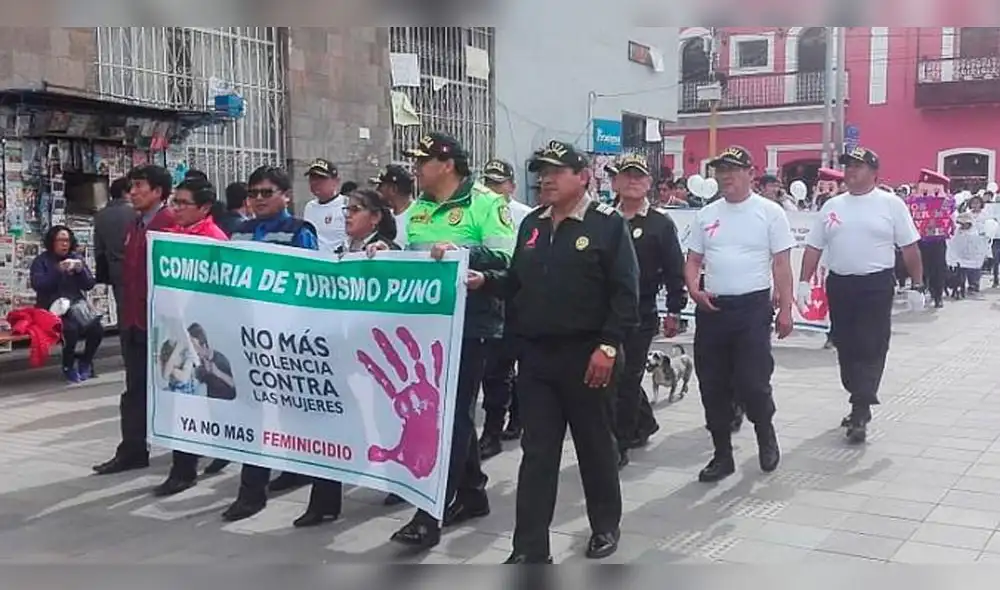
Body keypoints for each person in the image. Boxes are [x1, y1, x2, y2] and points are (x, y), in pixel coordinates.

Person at [472, 139, 638, 563]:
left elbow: (625, 293)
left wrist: (608, 345)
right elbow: (516, 282)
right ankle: (529, 548)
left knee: (595, 447)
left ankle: (604, 525)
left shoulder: (606, 224)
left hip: (588, 356)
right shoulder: (533, 224)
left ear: (582, 177)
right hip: (537, 358)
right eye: (541, 172)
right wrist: (486, 281)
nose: (545, 179)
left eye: (555, 171)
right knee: (538, 454)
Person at [368, 132, 515, 550]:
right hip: (427, 327)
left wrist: (462, 254)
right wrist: (385, 249)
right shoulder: (420, 207)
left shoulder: (487, 203)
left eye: (422, 161)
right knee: (455, 415)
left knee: (449, 417)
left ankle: (429, 512)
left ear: (447, 164)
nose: (415, 168)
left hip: (471, 324)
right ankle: (472, 493)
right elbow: (411, 255)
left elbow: (508, 259)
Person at [222, 166, 331, 522]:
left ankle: (303, 476)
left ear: (286, 195)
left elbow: (312, 283)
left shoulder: (299, 231)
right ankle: (252, 493)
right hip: (247, 338)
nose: (258, 199)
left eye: (266, 192)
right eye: (253, 193)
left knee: (296, 415)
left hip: (286, 342)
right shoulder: (239, 232)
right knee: (253, 414)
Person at [685, 146, 794, 483]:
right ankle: (722, 454)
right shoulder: (706, 215)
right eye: (721, 170)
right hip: (713, 309)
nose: (726, 176)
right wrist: (693, 289)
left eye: (733, 170)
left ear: (750, 173)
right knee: (712, 383)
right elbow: (693, 260)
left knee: (753, 382)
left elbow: (781, 264)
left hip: (752, 309)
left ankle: (765, 434)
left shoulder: (769, 212)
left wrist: (786, 309)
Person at [800, 147, 923, 443]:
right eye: (848, 166)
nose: (851, 171)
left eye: (858, 166)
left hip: (876, 285)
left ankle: (860, 407)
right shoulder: (832, 206)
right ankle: (858, 394)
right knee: (844, 344)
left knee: (871, 343)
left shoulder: (890, 204)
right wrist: (804, 281)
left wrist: (918, 285)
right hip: (841, 284)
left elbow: (909, 247)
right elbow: (814, 246)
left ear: (874, 172)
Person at [151, 177, 232, 497]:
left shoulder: (214, 240)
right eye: (175, 202)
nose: (177, 209)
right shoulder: (170, 236)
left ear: (205, 207)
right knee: (177, 399)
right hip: (172, 331)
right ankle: (188, 462)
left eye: (184, 203)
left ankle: (184, 470)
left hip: (200, 334)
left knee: (193, 401)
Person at [93, 165, 176, 476]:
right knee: (134, 390)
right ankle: (133, 449)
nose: (133, 191)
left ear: (158, 191)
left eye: (140, 185)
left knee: (175, 390)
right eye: (132, 185)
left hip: (161, 324)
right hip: (133, 320)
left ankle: (188, 457)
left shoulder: (170, 224)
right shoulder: (135, 224)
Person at [612, 154, 686, 469]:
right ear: (615, 181)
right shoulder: (603, 217)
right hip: (603, 312)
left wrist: (674, 310)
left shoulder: (659, 223)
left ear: (649, 183)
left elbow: (674, 269)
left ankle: (620, 443)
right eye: (626, 175)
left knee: (628, 377)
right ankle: (644, 422)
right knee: (611, 376)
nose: (632, 181)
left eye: (638, 176)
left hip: (640, 312)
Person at [478, 157, 534, 458]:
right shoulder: (478, 211)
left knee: (522, 367)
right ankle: (492, 431)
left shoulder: (526, 216)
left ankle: (519, 417)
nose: (493, 189)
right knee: (495, 371)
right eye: (488, 183)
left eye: (498, 184)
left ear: (511, 186)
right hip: (491, 295)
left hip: (519, 300)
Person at [29, 225, 103, 383]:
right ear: (52, 242)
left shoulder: (75, 258)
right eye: (60, 240)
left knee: (96, 329)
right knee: (70, 329)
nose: (64, 244)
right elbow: (38, 284)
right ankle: (68, 365)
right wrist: (57, 271)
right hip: (51, 307)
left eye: (67, 241)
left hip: (75, 305)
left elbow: (89, 284)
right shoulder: (41, 261)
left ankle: (85, 360)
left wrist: (80, 270)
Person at [93, 177, 133, 358]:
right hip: (138, 269)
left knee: (123, 314)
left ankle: (127, 353)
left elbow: (99, 249)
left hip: (117, 271)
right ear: (126, 192)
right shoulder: (135, 213)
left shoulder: (101, 216)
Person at [910, 169, 954, 308]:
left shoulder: (946, 201)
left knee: (938, 269)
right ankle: (922, 293)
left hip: (938, 241)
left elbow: (951, 210)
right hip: (921, 240)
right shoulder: (914, 201)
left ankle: (937, 295)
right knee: (921, 269)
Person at [301, 158, 347, 252]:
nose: (315, 182)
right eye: (312, 178)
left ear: (336, 181)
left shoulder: (347, 205)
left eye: (321, 178)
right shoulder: (309, 207)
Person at [370, 164, 415, 249]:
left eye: (380, 186)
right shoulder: (384, 217)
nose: (377, 190)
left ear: (393, 189)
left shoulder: (421, 216)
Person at [948, 211, 988, 296]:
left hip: (972, 256)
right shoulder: (957, 231)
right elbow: (953, 243)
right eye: (961, 223)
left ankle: (973, 285)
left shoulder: (974, 232)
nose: (963, 225)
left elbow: (979, 244)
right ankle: (959, 286)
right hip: (960, 256)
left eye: (965, 223)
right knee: (960, 272)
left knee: (973, 271)